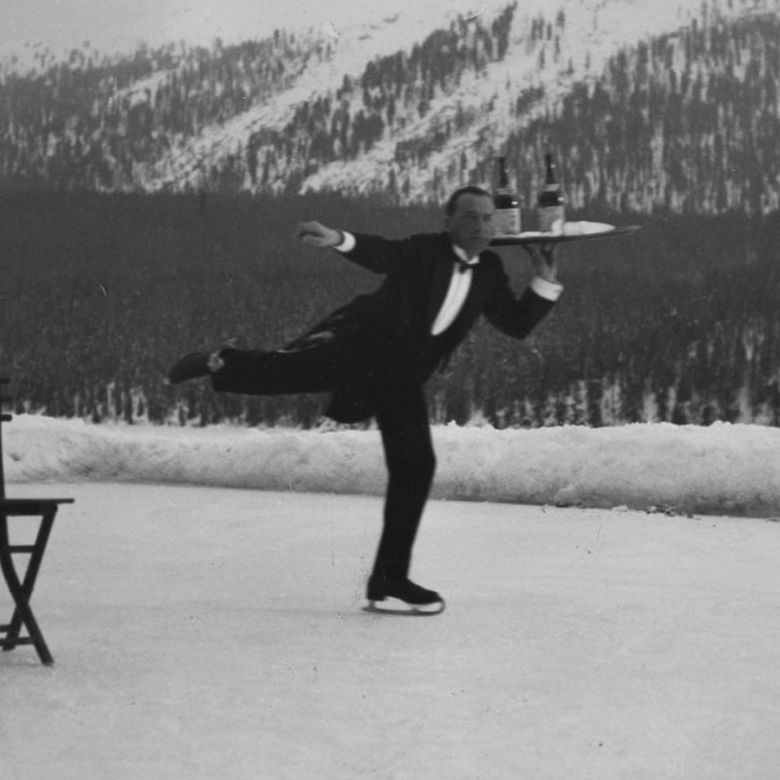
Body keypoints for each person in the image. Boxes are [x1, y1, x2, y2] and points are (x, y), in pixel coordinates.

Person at [166, 185, 562, 613]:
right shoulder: (426, 250)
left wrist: (545, 280)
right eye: (471, 217)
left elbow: (516, 323)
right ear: (449, 222)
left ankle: (389, 578)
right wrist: (338, 239)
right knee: (280, 373)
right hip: (359, 348)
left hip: (403, 379)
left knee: (416, 467)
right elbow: (384, 253)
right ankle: (217, 361)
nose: (481, 226)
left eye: (488, 218)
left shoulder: (489, 270)